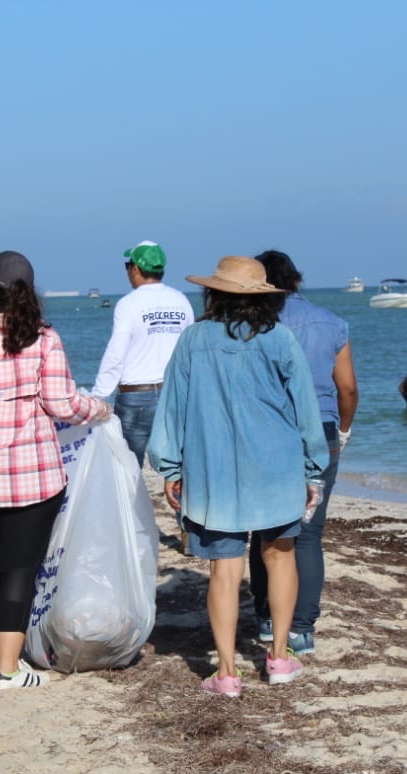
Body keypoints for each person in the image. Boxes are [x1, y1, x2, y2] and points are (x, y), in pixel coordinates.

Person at [0, 250, 111, 690]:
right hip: (30, 474)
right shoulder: (44, 338)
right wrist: (99, 410)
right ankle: (8, 671)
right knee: (17, 571)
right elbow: (63, 405)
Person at [148, 256, 329, 697]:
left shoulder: (193, 340)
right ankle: (280, 657)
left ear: (214, 293)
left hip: (214, 473)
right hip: (277, 468)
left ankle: (227, 672)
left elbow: (171, 408)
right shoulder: (281, 339)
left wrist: (170, 466)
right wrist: (314, 469)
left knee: (224, 571)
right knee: (280, 557)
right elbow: (307, 412)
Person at [247, 250, 358, 656]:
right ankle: (301, 629)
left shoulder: (255, 325)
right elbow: (346, 388)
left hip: (269, 432)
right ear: (296, 280)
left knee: (264, 527)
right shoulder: (332, 322)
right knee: (308, 534)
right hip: (323, 429)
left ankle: (265, 617)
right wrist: (343, 430)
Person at [91, 241, 194, 468]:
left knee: (128, 469)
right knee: (178, 467)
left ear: (135, 269)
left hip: (135, 398)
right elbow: (189, 351)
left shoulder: (128, 304)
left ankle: (132, 504)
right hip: (174, 394)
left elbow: (116, 353)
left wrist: (98, 397)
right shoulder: (181, 301)